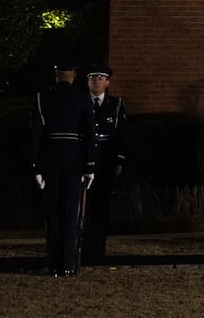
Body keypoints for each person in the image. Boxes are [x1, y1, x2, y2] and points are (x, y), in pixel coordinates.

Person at [30, 58, 96, 277]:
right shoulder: (82, 97)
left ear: (56, 75)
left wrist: (37, 167)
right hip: (74, 161)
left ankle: (53, 264)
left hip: (50, 161)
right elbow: (88, 134)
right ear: (74, 75)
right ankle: (67, 264)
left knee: (53, 213)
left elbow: (36, 136)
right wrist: (89, 166)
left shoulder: (42, 98)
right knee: (70, 213)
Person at [81, 63, 128, 265]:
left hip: (106, 162)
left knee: (101, 207)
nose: (97, 81)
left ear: (107, 81)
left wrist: (119, 159)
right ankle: (83, 247)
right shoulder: (82, 102)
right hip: (85, 162)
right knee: (84, 207)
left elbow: (122, 135)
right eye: (93, 77)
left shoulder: (115, 105)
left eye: (101, 78)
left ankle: (98, 249)